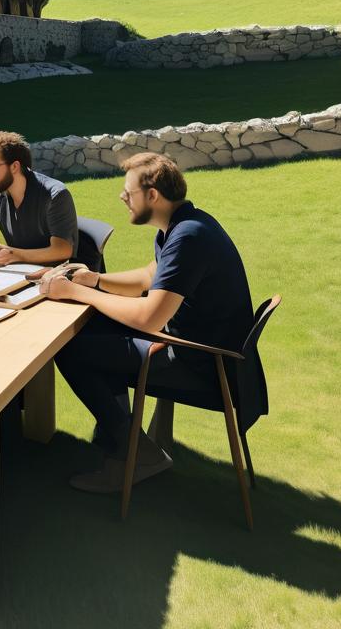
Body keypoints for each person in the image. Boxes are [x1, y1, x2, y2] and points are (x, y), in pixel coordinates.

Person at [44, 152, 255, 493]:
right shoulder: (185, 225)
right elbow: (150, 275)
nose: (122, 198)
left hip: (201, 363)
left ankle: (138, 453)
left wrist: (74, 292)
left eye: (129, 192)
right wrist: (95, 280)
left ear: (153, 195)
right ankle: (120, 436)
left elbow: (149, 317)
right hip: (199, 349)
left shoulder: (188, 237)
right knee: (92, 330)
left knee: (72, 348)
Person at [0, 130, 77, 267]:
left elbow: (62, 250)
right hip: (16, 273)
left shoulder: (55, 195)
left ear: (14, 166)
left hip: (54, 277)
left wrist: (14, 254)